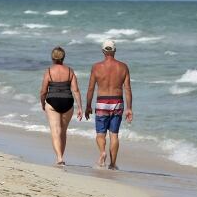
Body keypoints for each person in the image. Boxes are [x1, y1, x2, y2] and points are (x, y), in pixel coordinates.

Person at [84, 40, 133, 170]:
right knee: (114, 134)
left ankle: (102, 153)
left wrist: (88, 106)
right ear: (115, 51)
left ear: (103, 51)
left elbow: (90, 88)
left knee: (100, 134)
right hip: (117, 102)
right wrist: (129, 108)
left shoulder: (96, 67)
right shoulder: (123, 67)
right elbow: (127, 89)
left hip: (102, 102)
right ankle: (112, 164)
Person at [40, 46, 83, 165]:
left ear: (52, 58)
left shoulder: (49, 71)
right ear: (63, 57)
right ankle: (60, 157)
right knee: (63, 131)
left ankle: (59, 158)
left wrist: (43, 103)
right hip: (68, 101)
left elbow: (43, 91)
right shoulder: (70, 71)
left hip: (52, 101)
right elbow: (76, 90)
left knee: (55, 131)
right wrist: (80, 107)